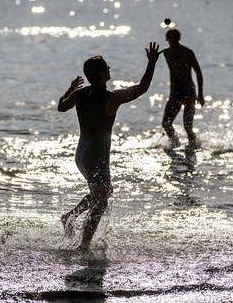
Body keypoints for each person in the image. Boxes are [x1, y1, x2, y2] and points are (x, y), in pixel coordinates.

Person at [57, 42, 163, 250]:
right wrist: (151, 63)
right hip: (96, 155)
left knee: (102, 193)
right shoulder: (112, 98)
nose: (109, 69)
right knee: (102, 200)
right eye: (106, 67)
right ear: (99, 74)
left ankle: (71, 216)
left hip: (81, 155)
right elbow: (142, 88)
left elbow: (61, 106)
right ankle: (84, 244)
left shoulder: (80, 95)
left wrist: (70, 89)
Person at [162, 29, 204, 148]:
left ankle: (194, 147)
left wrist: (200, 94)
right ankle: (175, 143)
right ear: (167, 40)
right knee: (166, 123)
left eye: (175, 39)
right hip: (175, 92)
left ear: (179, 39)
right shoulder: (166, 53)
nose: (173, 42)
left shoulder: (188, 53)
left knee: (188, 126)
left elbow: (198, 73)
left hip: (189, 91)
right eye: (170, 39)